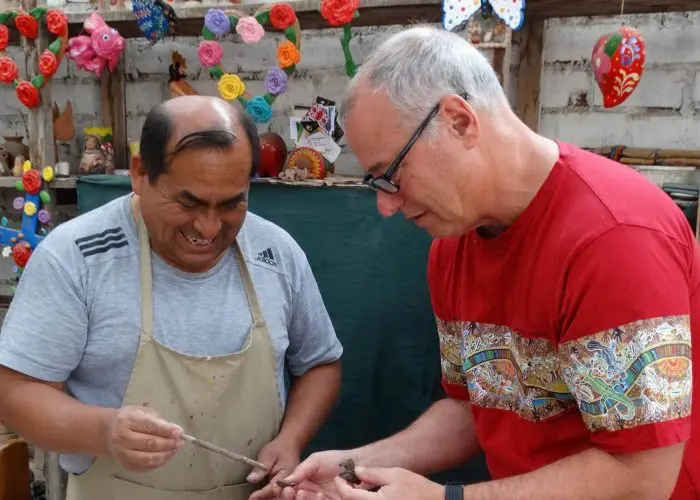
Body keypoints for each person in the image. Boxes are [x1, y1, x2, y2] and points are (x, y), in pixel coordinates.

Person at [277, 26, 699, 500]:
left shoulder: (614, 236)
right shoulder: (452, 244)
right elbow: (474, 408)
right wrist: (356, 464)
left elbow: (642, 478)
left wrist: (446, 499)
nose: (386, 206)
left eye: (389, 176)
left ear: (459, 121)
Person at [0, 95, 343, 500]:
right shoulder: (77, 257)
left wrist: (291, 439)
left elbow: (320, 364)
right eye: (188, 202)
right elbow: (14, 391)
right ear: (140, 174)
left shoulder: (275, 253)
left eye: (232, 203)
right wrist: (104, 431)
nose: (210, 227)